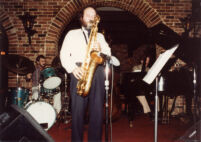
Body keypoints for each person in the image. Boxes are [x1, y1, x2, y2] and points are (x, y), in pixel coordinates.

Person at [60, 6, 111, 142]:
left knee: (97, 114)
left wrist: (101, 51)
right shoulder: (72, 33)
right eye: (88, 15)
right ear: (81, 17)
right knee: (77, 114)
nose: (91, 18)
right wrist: (72, 69)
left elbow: (108, 54)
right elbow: (64, 54)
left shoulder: (100, 36)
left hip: (98, 73)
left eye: (93, 15)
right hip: (79, 72)